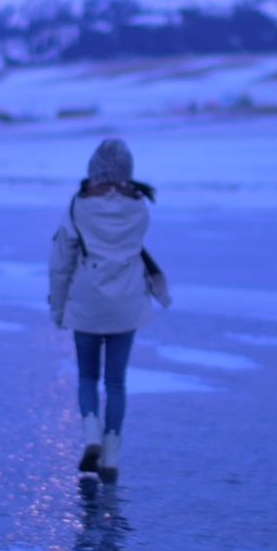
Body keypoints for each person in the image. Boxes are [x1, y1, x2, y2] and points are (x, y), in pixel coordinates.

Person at [48, 137, 169, 482]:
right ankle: (111, 456)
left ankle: (90, 437)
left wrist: (58, 308)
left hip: (87, 303)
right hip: (127, 304)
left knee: (88, 376)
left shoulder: (79, 206)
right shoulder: (140, 207)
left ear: (93, 171)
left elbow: (61, 262)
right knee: (116, 382)